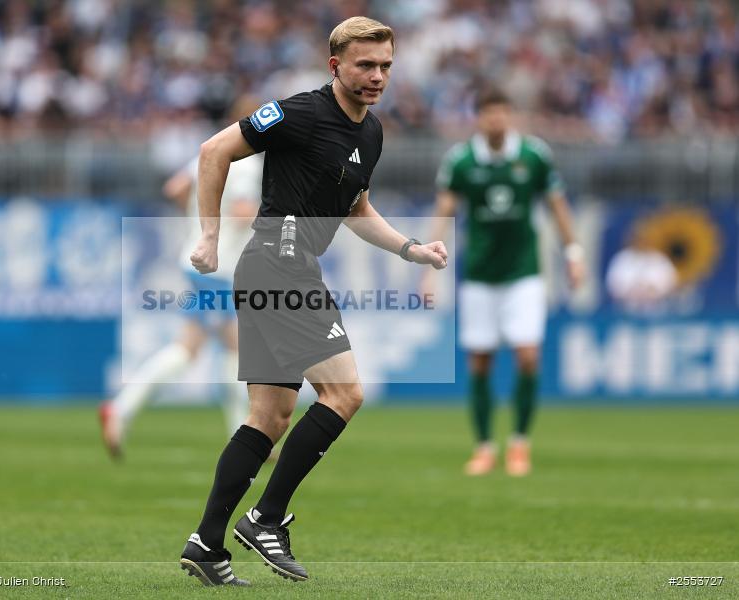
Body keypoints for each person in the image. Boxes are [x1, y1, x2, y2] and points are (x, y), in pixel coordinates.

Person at [177, 16, 448, 587]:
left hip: (290, 266)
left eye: (386, 67)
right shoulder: (298, 112)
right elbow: (213, 151)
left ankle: (206, 542)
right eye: (365, 65)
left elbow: (356, 211)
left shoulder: (371, 133)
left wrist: (411, 249)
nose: (377, 77)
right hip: (278, 262)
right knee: (345, 393)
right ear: (336, 66)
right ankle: (266, 518)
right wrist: (207, 235)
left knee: (270, 416)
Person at [421, 88, 584, 477]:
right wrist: (427, 265)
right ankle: (483, 446)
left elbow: (556, 204)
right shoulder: (461, 161)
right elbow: (445, 208)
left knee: (528, 355)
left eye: (502, 113)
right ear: (478, 118)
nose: (496, 120)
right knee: (480, 361)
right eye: (488, 113)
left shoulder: (533, 155)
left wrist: (573, 253)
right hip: (479, 275)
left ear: (510, 116)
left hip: (523, 273)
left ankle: (520, 443)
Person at [98, 150, 263, 459]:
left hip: (201, 258)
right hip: (220, 265)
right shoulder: (247, 164)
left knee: (211, 348)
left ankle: (242, 435)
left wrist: (201, 221)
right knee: (225, 348)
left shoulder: (215, 150)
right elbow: (243, 212)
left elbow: (175, 188)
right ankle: (244, 436)